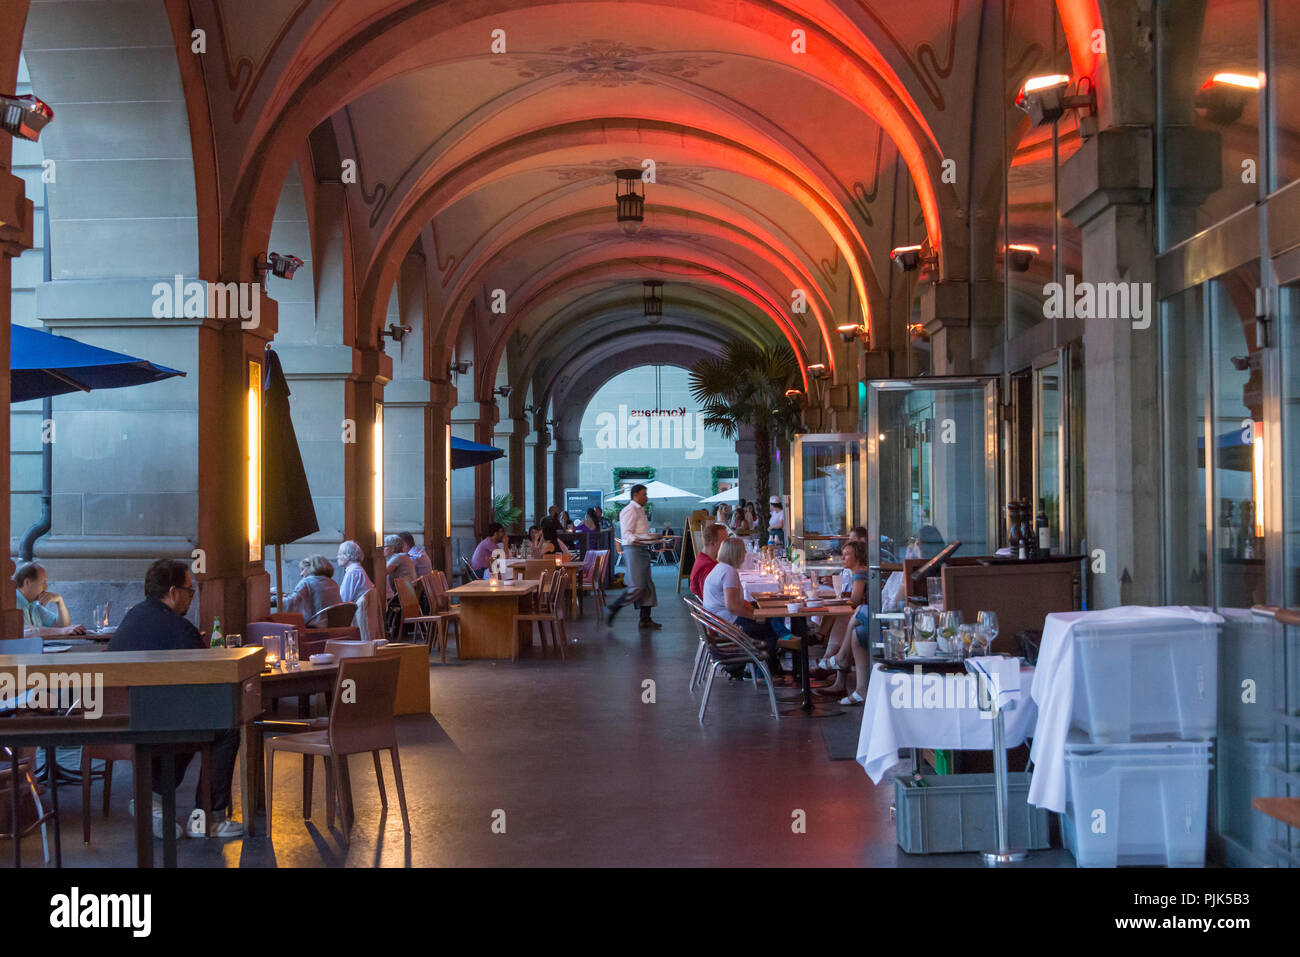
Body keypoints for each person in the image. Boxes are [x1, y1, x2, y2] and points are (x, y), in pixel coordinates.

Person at [108, 559, 242, 839]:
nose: (191, 598)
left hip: (120, 721)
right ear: (172, 592)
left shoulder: (132, 617)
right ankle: (209, 817)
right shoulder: (179, 628)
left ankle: (152, 800)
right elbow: (209, 678)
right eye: (189, 591)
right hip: (159, 724)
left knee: (189, 722)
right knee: (224, 727)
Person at [702, 536, 793, 679]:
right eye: (743, 551)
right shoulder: (729, 572)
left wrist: (757, 611)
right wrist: (756, 616)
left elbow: (739, 601)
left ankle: (778, 640)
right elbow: (732, 606)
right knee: (769, 630)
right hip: (728, 625)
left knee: (767, 611)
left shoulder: (720, 568)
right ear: (736, 553)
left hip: (718, 622)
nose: (745, 555)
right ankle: (760, 673)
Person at [819, 539, 872, 706]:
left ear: (857, 556)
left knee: (843, 617)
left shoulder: (861, 572)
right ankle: (837, 672)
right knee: (842, 617)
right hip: (863, 613)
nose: (843, 558)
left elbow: (855, 600)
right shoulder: (858, 572)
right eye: (842, 554)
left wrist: (841, 600)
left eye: (847, 554)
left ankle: (833, 658)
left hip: (867, 615)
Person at [606, 484, 661, 629]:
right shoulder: (629, 510)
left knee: (647, 585)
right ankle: (613, 607)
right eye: (644, 494)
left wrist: (650, 537)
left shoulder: (640, 510)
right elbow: (627, 534)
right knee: (637, 585)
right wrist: (644, 538)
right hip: (634, 549)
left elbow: (638, 532)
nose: (646, 497)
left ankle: (645, 619)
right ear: (635, 495)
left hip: (642, 548)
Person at [12, 562, 85, 638]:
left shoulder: (33, 605)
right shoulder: (10, 602)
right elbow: (24, 631)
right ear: (27, 582)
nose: (46, 587)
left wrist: (60, 601)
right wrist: (61, 631)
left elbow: (62, 626)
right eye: (43, 583)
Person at [282, 554, 342, 621]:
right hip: (335, 625)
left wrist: (275, 599)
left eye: (303, 569)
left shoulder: (307, 582)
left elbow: (292, 603)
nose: (301, 574)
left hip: (315, 626)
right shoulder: (333, 583)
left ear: (311, 567)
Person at [689, 523, 728, 598]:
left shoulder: (703, 558)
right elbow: (710, 597)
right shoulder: (708, 567)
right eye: (725, 542)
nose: (728, 545)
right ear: (713, 543)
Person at [383, 534, 416, 600]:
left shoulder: (398, 557)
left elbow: (384, 573)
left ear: (392, 548)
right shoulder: (401, 556)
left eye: (385, 546)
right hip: (409, 592)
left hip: (404, 596)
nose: (383, 549)